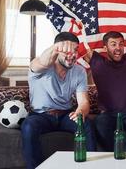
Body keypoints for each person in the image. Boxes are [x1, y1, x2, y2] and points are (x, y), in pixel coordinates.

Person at [21, 32, 96, 169]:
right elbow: (41, 62)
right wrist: (56, 47)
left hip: (64, 115)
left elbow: (84, 102)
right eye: (66, 51)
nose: (72, 55)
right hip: (41, 115)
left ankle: (91, 166)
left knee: (86, 125)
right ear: (57, 51)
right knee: (28, 126)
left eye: (74, 51)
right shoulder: (40, 67)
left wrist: (80, 112)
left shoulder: (79, 71)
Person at [84, 30, 126, 152]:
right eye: (113, 44)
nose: (118, 48)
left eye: (121, 44)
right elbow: (80, 45)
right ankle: (114, 157)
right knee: (99, 122)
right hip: (107, 115)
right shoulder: (97, 61)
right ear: (105, 47)